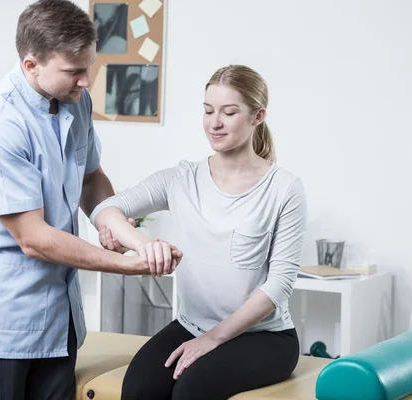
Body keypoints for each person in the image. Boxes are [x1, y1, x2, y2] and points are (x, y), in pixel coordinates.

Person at [0, 1, 182, 399]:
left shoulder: (77, 104)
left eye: (88, 67)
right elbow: (34, 238)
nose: (86, 81)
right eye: (74, 71)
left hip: (60, 318)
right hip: (4, 321)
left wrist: (130, 236)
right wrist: (127, 266)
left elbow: (91, 179)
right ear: (31, 65)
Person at [91, 64, 307, 400]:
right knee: (138, 390)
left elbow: (279, 284)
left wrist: (213, 338)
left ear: (257, 116)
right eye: (208, 111)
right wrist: (141, 244)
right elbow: (105, 210)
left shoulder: (284, 188)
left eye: (229, 112)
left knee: (191, 392)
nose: (214, 123)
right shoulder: (182, 179)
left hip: (264, 337)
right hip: (191, 325)